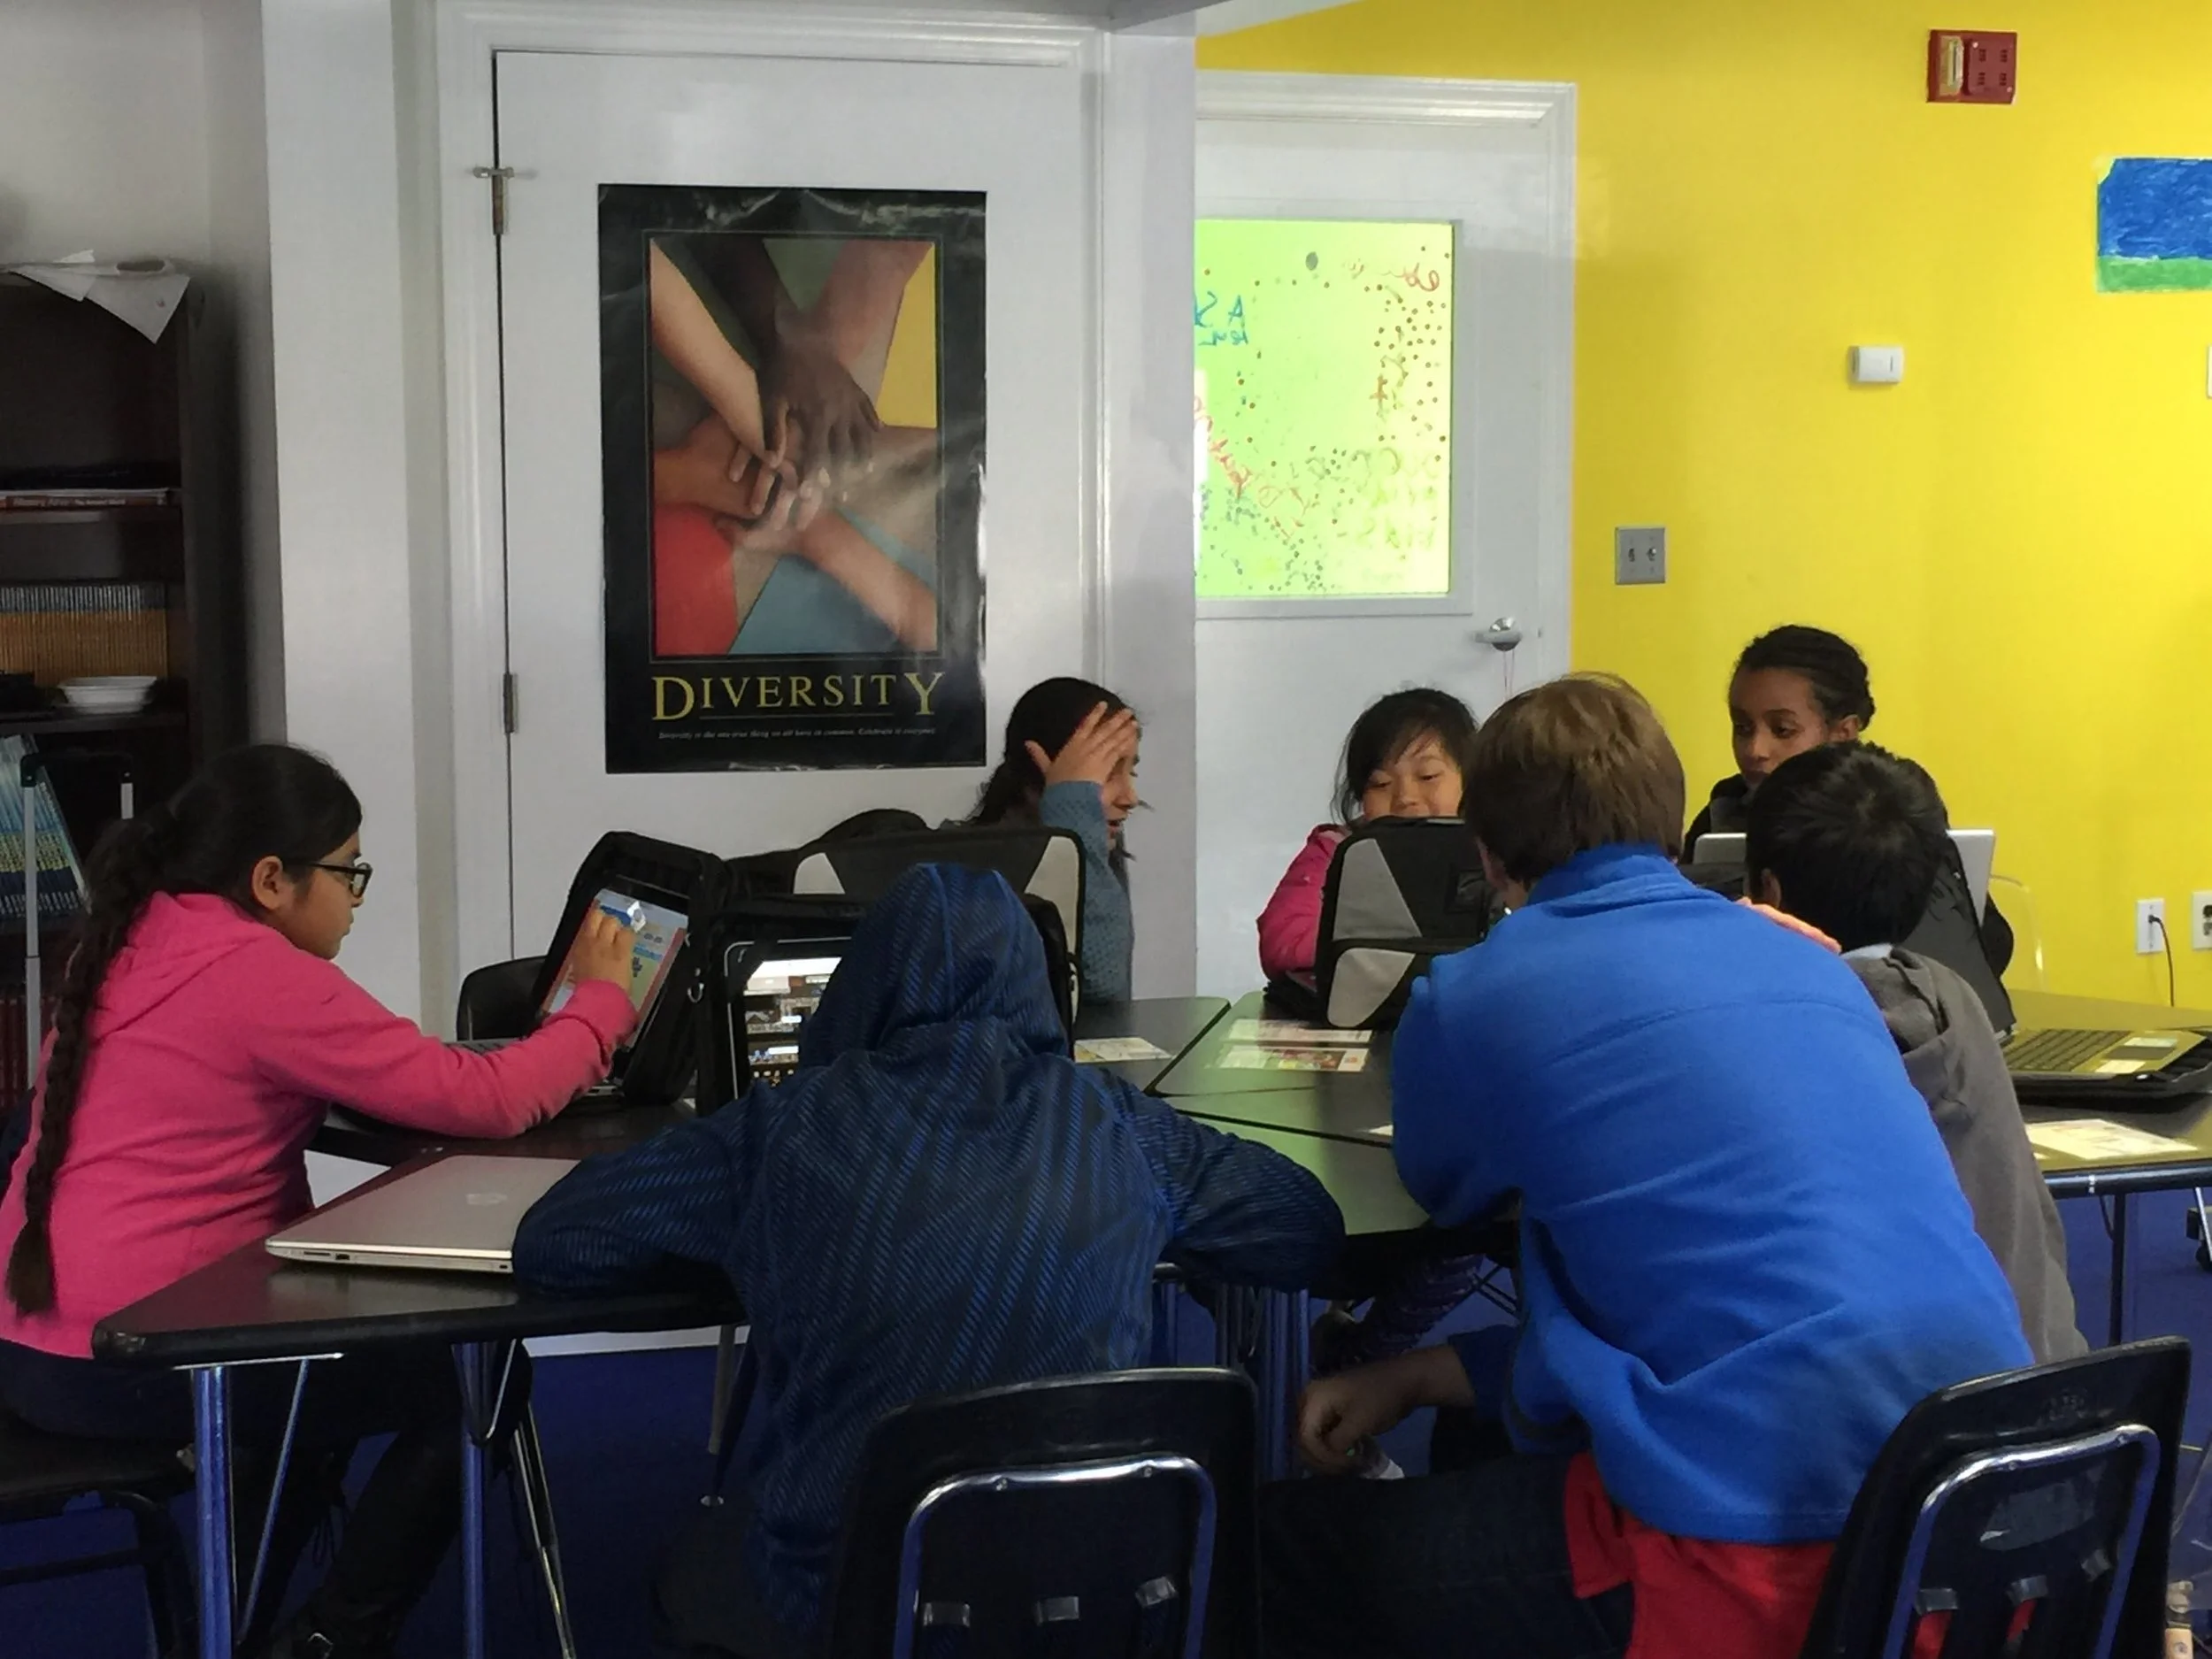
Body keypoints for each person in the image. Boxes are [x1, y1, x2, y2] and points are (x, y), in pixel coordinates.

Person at [1258, 675, 2032, 1659]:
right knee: (1493, 1445)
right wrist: (1416, 1375)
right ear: (1676, 828)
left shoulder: (1474, 993)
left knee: (1277, 1548)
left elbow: (1447, 1187)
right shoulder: (1810, 960)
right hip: (1985, 1502)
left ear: (1484, 852)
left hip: (1759, 1542)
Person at [512, 864, 1344, 1655]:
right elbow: (1304, 1225)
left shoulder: (783, 1127)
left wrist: (748, 1241)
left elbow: (557, 1242)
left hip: (845, 1602)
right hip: (1110, 1601)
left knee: (689, 1565)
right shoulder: (1117, 1124)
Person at [0, 744, 639, 1658]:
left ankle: (236, 1625)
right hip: (132, 1356)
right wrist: (601, 1005)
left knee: (317, 1367)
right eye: (349, 873)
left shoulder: (137, 935)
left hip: (32, 1338)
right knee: (472, 1374)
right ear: (272, 880)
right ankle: (333, 1639)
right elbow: (486, 1100)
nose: (356, 897)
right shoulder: (253, 973)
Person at [1743, 741, 2085, 1364]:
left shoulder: (1782, 1025)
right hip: (2050, 1379)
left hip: (1912, 1404)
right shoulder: (1953, 993)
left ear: (1769, 890)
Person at [1686, 623, 2013, 976]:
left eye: (1783, 730)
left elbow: (1989, 944)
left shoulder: (1889, 805)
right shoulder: (1721, 813)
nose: (1755, 750)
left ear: (1843, 733)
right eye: (1742, 727)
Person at [1256, 687, 1479, 981]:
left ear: (1472, 776)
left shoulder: (1493, 847)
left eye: (1427, 776)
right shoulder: (1336, 849)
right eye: (1381, 783)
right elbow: (1283, 941)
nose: (1405, 797)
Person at [967, 677, 1141, 1002]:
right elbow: (1099, 983)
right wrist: (1072, 801)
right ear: (1035, 771)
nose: (1130, 797)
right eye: (1106, 774)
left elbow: (1110, 1007)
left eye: (1131, 772)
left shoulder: (1092, 837)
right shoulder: (973, 874)